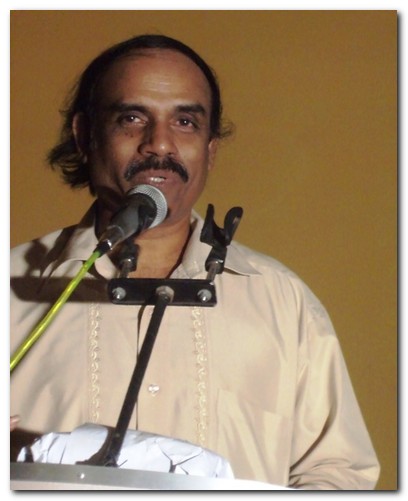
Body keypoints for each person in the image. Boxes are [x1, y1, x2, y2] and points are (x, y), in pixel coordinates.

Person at [10, 34, 380, 489]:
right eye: (131, 118)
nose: (159, 145)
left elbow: (338, 473)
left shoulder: (282, 301)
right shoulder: (12, 288)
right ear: (85, 136)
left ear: (210, 149)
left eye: (185, 122)